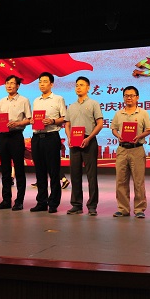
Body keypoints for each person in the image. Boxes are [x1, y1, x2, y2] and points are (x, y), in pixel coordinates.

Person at [110, 86, 150, 218]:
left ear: (137, 97)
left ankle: (139, 209)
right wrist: (118, 135)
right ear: (123, 97)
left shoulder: (143, 113)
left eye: (132, 95)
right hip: (122, 149)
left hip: (137, 149)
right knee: (121, 180)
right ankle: (123, 208)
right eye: (126, 95)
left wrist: (139, 136)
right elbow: (114, 128)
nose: (129, 98)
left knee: (138, 181)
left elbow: (149, 129)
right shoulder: (118, 114)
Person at [64, 76, 103, 216]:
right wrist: (69, 137)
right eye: (76, 85)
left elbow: (100, 123)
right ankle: (76, 205)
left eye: (81, 85)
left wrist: (89, 138)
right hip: (74, 141)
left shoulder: (93, 104)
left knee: (91, 175)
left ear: (88, 88)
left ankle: (92, 206)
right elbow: (67, 124)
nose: (78, 87)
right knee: (75, 174)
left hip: (89, 140)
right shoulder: (71, 106)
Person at [30, 72, 67, 214]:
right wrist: (33, 121)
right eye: (40, 81)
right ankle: (41, 202)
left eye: (45, 81)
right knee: (40, 171)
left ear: (51, 84)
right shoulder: (36, 100)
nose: (42, 84)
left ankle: (53, 203)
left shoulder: (58, 99)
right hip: (37, 137)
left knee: (53, 171)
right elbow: (35, 118)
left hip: (51, 137)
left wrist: (52, 121)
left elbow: (64, 118)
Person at [0, 75, 32, 211]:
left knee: (19, 169)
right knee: (5, 170)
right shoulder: (1, 101)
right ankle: (6, 200)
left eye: (12, 83)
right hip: (3, 136)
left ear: (18, 86)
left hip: (16, 136)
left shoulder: (24, 100)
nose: (9, 85)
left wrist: (17, 123)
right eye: (7, 83)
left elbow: (29, 119)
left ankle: (19, 201)